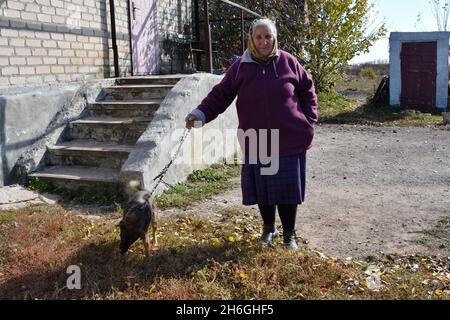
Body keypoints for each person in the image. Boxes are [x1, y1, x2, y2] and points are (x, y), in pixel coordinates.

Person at [185, 18, 318, 251]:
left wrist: (308, 119)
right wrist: (200, 114)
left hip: (289, 136)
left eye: (268, 36)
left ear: (274, 38)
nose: (264, 41)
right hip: (257, 138)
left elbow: (308, 89)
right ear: (251, 39)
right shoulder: (241, 67)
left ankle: (289, 234)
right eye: (259, 37)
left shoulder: (288, 61)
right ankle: (269, 228)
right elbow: (221, 94)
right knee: (264, 188)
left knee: (287, 190)